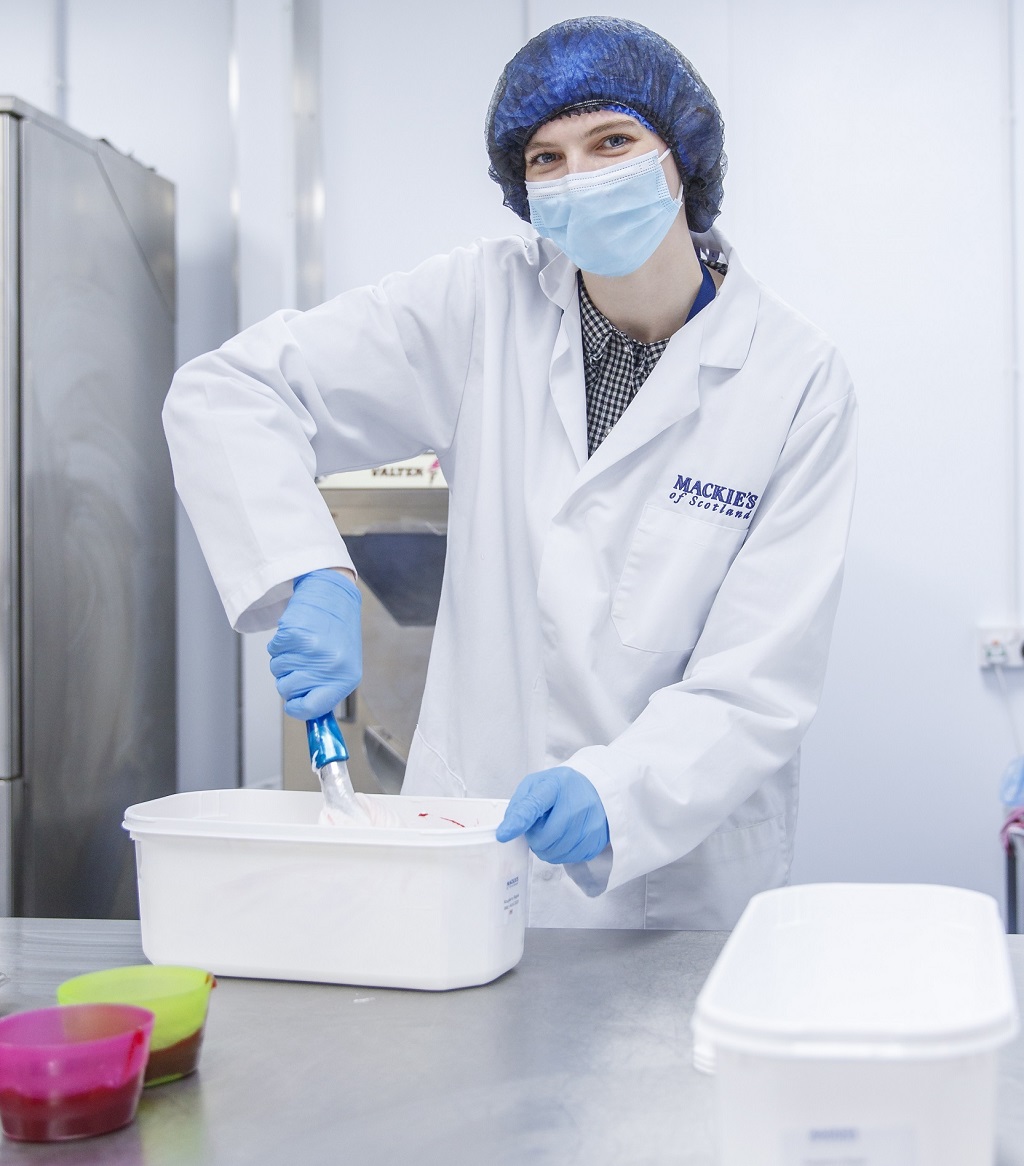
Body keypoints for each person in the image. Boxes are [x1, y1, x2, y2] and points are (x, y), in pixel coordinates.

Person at [163, 17, 857, 929]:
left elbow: (758, 679)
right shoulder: (481, 304)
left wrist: (617, 794)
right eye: (546, 159)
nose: (581, 177)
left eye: (612, 142)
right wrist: (308, 570)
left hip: (674, 881)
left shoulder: (796, 379)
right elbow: (228, 391)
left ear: (679, 157)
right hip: (472, 840)